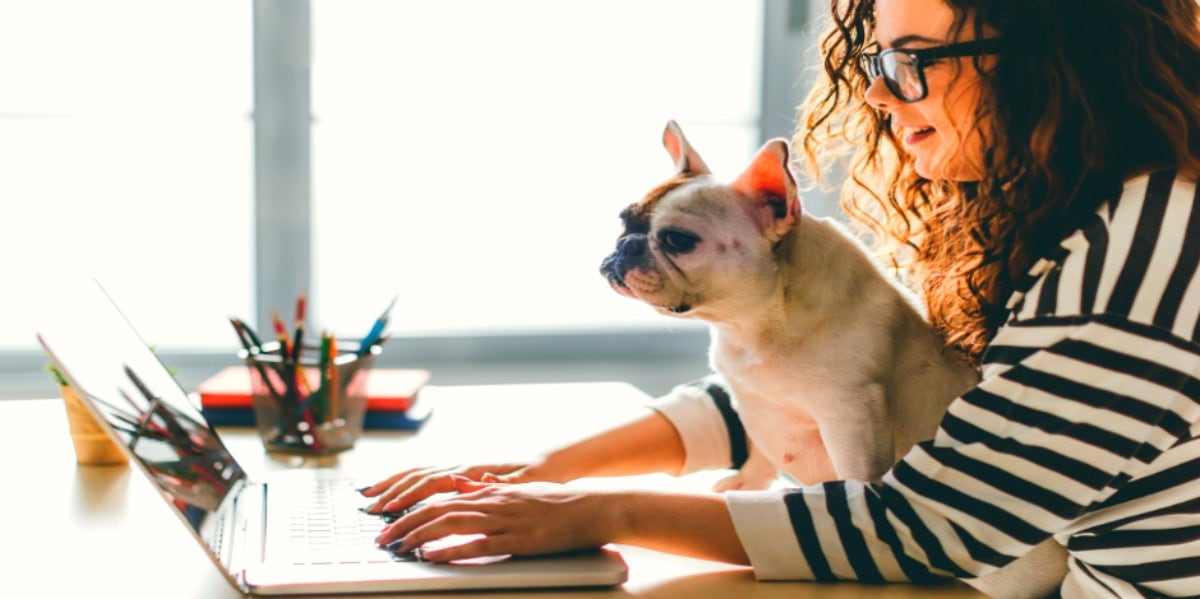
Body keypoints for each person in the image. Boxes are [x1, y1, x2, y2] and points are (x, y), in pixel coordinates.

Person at [362, 1, 1200, 596]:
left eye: (910, 62)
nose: (876, 94)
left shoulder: (1139, 255)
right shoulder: (1080, 212)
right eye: (876, 63)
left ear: (1050, 49)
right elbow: (787, 391)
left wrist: (595, 510)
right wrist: (544, 473)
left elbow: (934, 524)